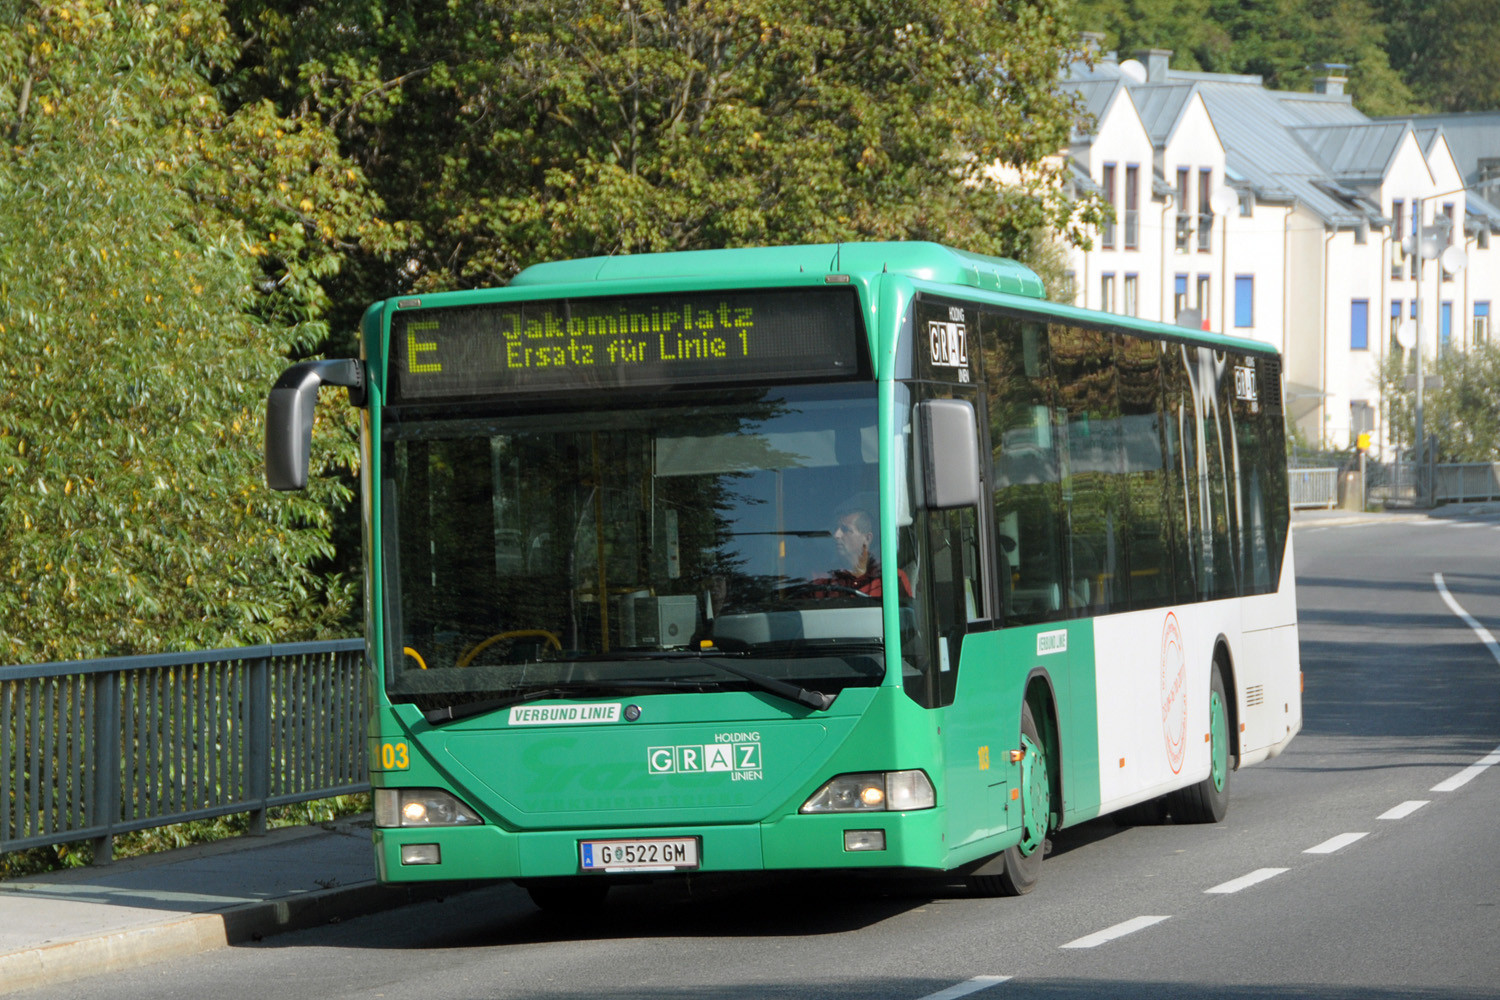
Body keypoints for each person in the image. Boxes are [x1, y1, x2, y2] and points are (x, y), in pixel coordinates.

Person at [810, 508, 911, 598]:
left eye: (845, 530)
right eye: (836, 529)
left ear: (867, 539)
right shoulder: (821, 578)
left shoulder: (892, 578)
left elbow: (904, 616)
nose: (836, 535)